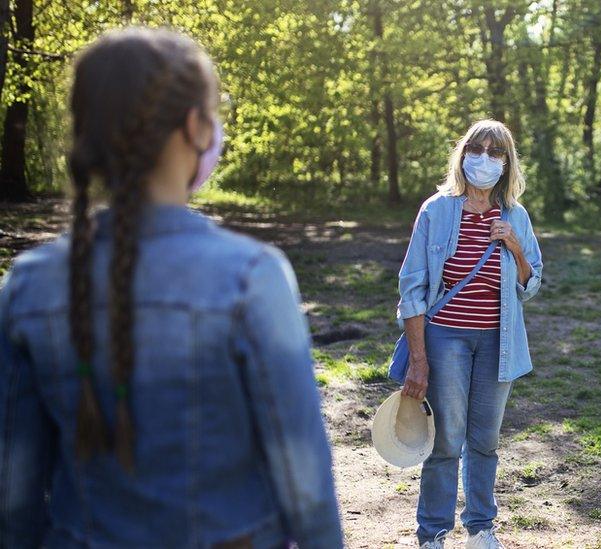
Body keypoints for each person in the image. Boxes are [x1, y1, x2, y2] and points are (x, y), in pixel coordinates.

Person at [0, 28, 342, 547]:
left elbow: (14, 500)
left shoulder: (26, 285)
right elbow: (307, 488)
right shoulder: (251, 277)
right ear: (196, 126)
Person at [396, 119, 543, 549]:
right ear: (463, 155)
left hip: (498, 341)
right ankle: (433, 532)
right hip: (447, 340)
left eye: (495, 152)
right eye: (476, 149)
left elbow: (531, 284)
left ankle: (480, 526)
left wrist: (514, 245)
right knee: (445, 438)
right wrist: (419, 359)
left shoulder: (516, 215)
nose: (484, 159)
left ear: (506, 162)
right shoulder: (438, 209)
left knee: (485, 439)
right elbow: (412, 287)